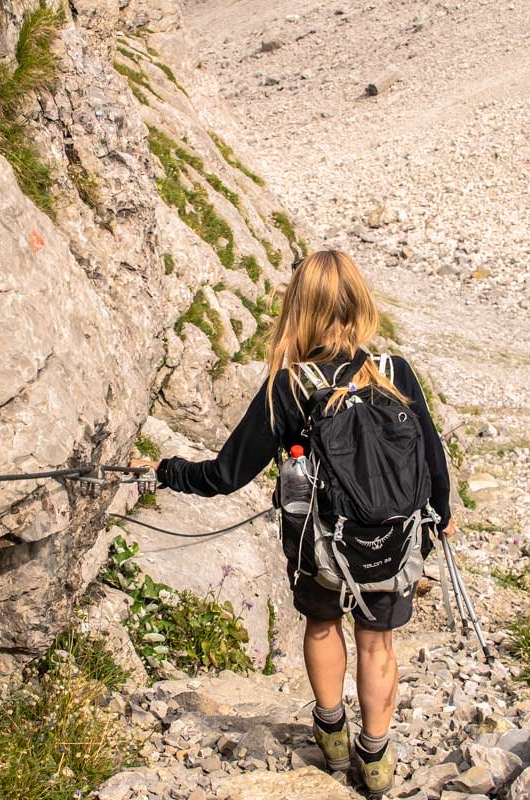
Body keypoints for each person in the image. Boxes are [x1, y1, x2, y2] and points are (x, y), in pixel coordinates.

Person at [130, 249, 452, 797]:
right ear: (360, 303)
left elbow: (228, 473)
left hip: (318, 543)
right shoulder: (396, 372)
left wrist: (165, 472)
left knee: (323, 625)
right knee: (378, 644)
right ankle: (374, 762)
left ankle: (330, 733)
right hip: (394, 537)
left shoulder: (291, 386)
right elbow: (431, 455)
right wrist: (438, 518)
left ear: (298, 308)